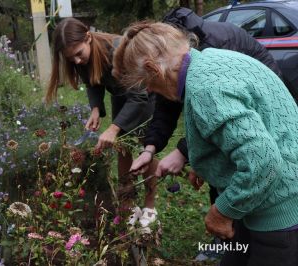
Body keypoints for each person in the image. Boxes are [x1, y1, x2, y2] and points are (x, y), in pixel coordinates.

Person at [113, 20, 298, 266]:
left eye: (145, 83)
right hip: (262, 202)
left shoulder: (205, 89)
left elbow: (263, 162)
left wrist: (221, 211)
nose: (149, 90)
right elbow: (243, 127)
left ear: (153, 69)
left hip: (279, 214)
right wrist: (210, 166)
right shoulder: (209, 60)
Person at [45, 18, 159, 232]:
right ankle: (127, 204)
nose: (77, 61)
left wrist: (114, 127)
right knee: (123, 147)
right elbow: (92, 81)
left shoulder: (119, 51)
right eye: (71, 58)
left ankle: (150, 207)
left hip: (146, 94)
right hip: (120, 94)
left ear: (88, 36)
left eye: (79, 54)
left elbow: (139, 97)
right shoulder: (78, 59)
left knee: (146, 148)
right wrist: (96, 108)